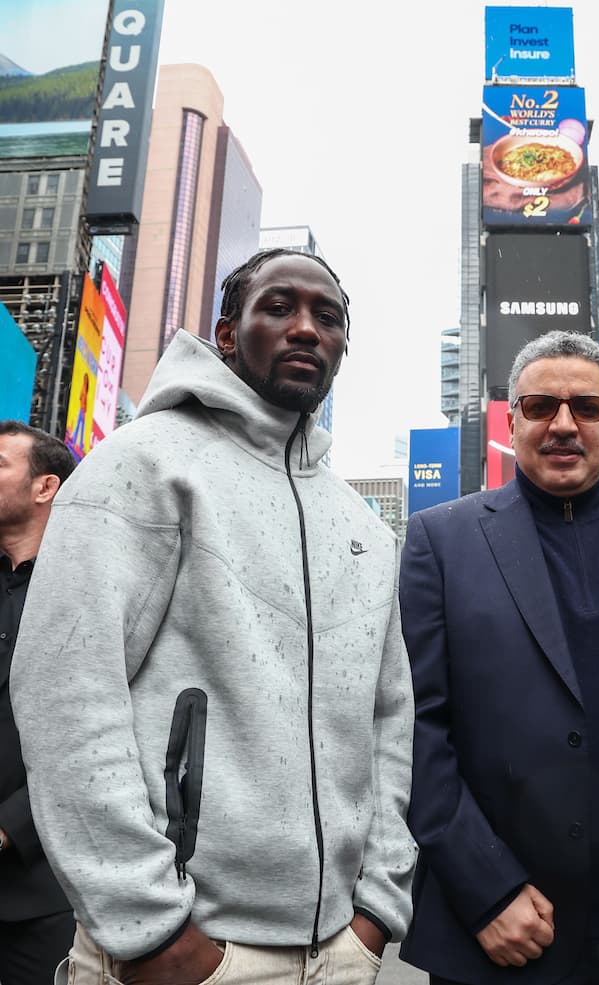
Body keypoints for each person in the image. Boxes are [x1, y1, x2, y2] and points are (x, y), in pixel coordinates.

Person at [10, 249, 416, 984]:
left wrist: (377, 908)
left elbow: (389, 720)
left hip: (340, 955)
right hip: (185, 952)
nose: (304, 328)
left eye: (327, 317)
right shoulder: (144, 463)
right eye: (278, 307)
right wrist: (149, 929)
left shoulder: (364, 523)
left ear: (343, 348)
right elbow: (65, 692)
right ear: (226, 335)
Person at [399, 330, 599, 985]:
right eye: (540, 406)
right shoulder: (439, 542)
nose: (563, 424)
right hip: (493, 935)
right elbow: (413, 727)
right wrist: (486, 889)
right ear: (512, 421)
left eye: (587, 407)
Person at [0, 422, 75, 985]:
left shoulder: (85, 588)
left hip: (46, 887)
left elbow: (92, 731)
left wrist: (8, 827)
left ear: (44, 486)